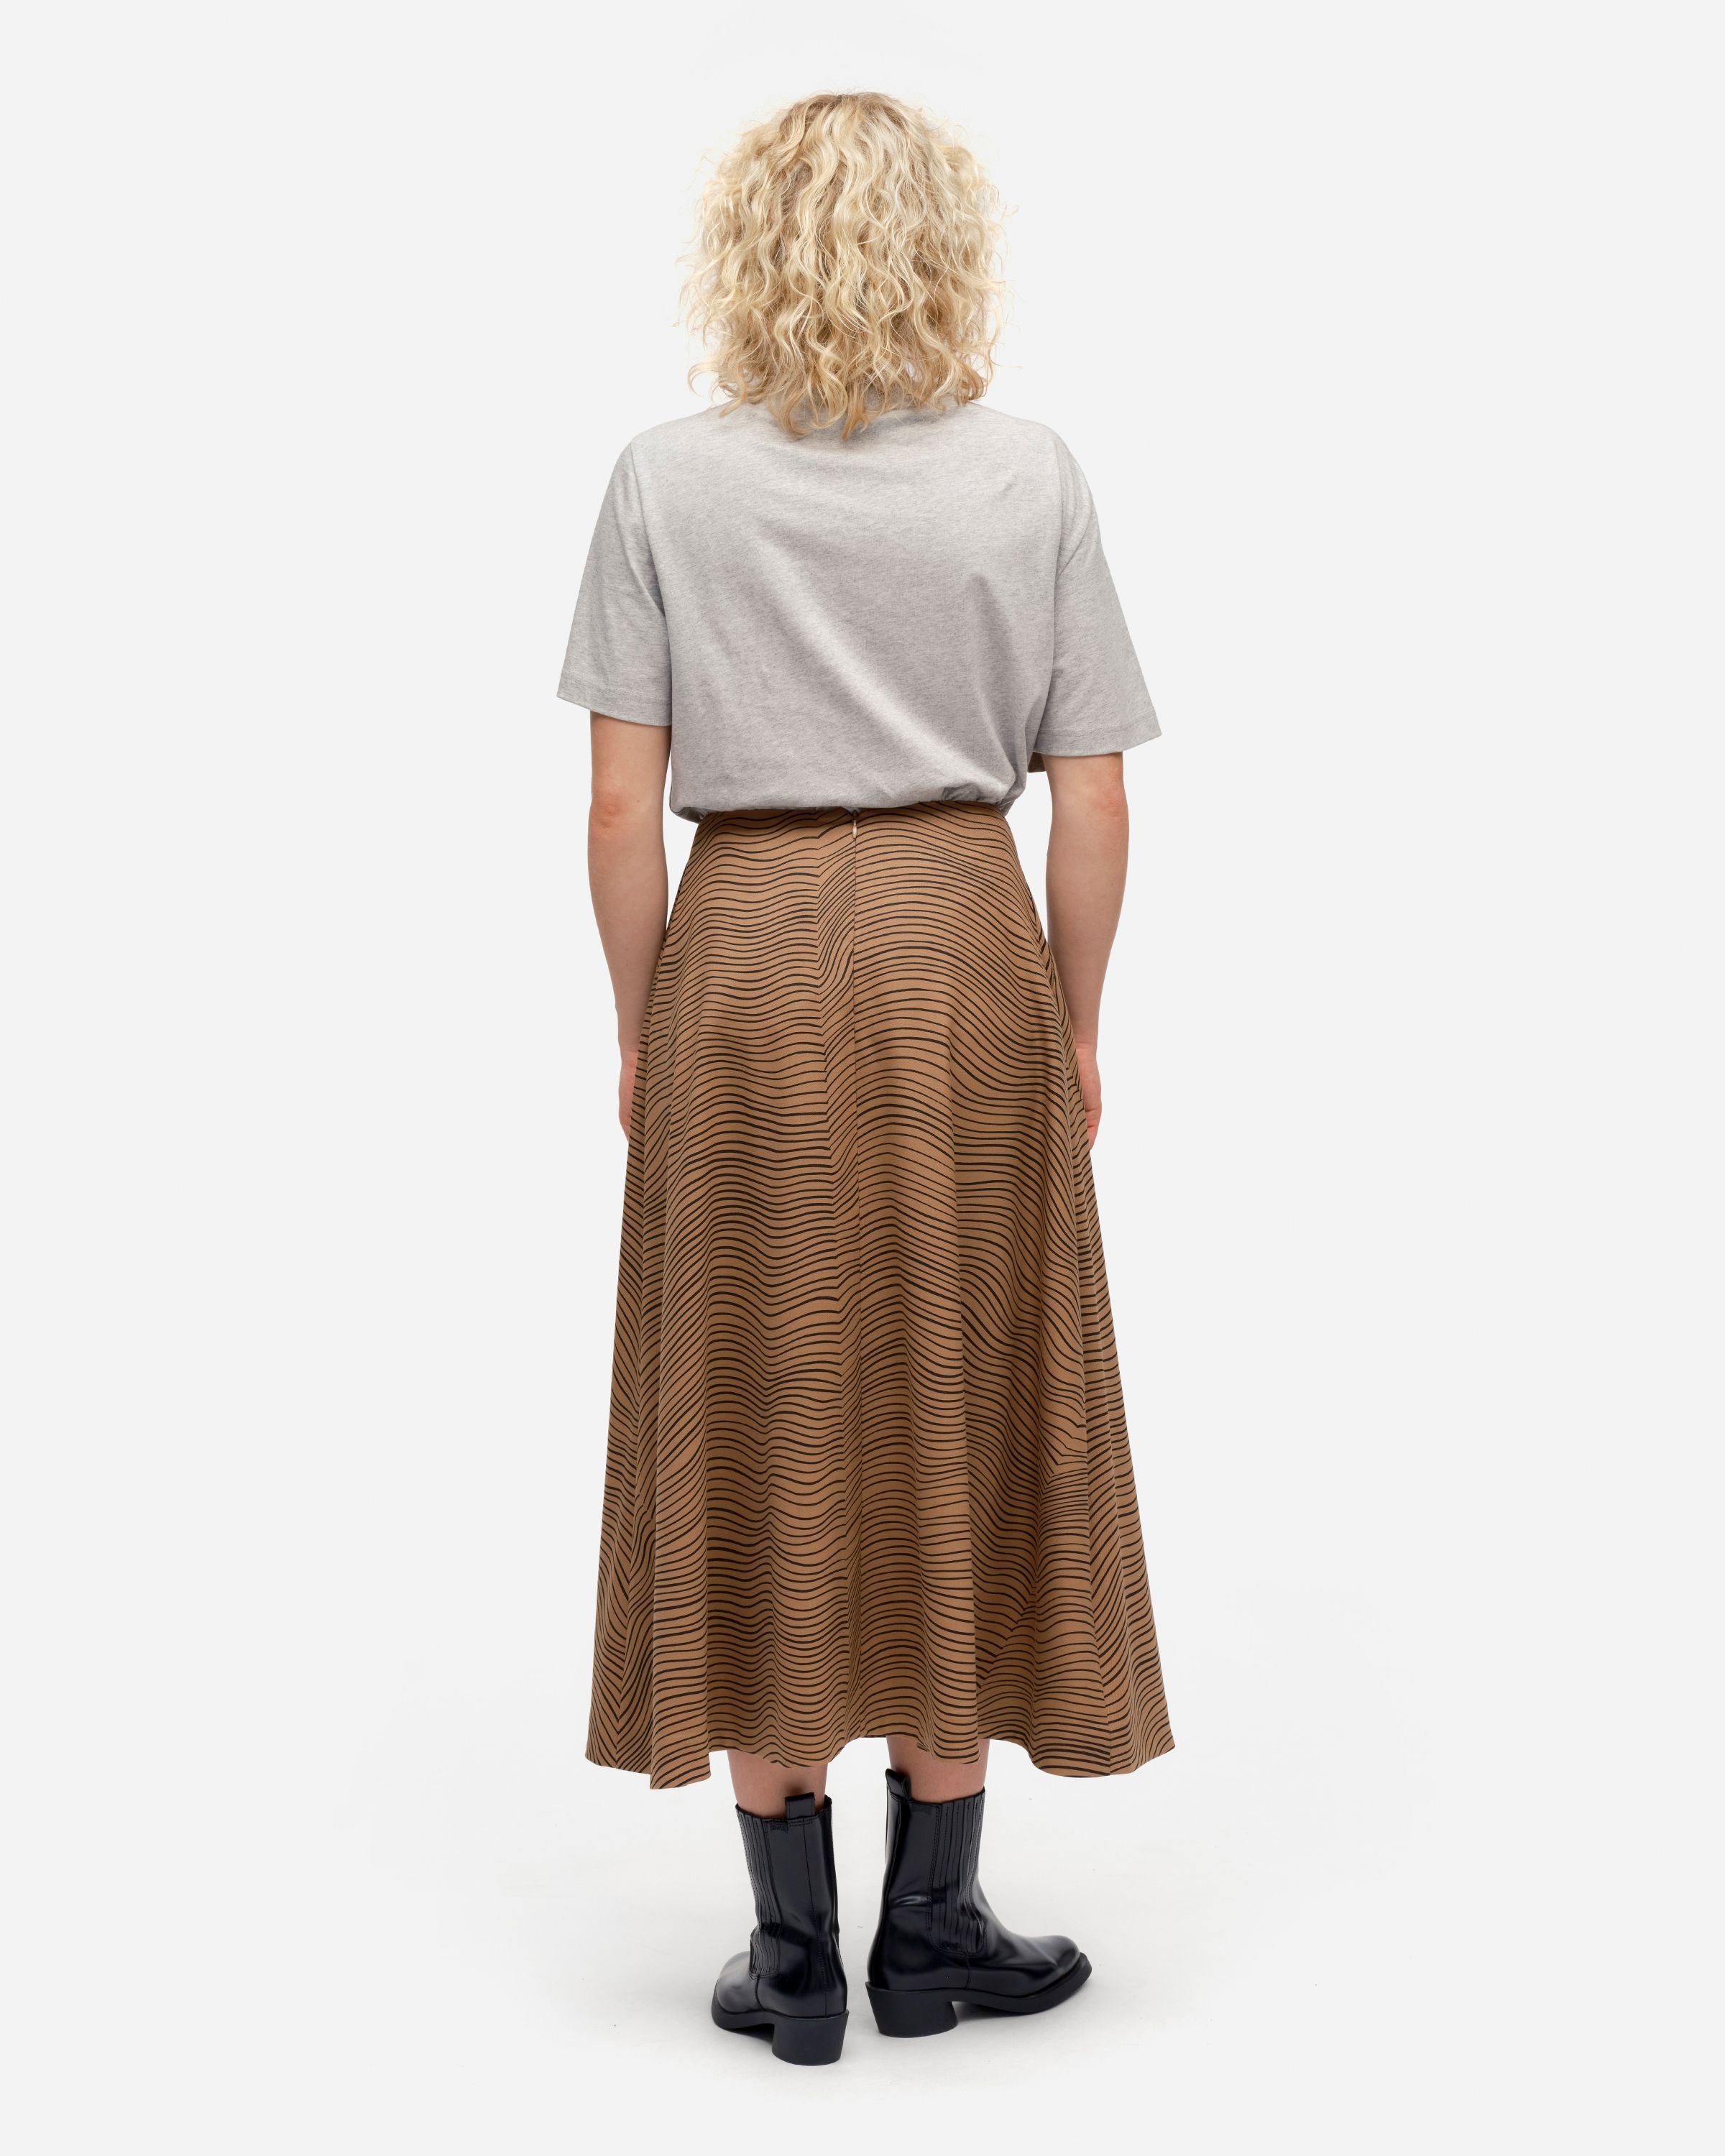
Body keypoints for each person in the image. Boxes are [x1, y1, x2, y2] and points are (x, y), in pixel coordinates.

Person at [558, 90, 1173, 2067]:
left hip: (742, 960)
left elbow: (619, 810)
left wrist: (644, 1026)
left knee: (762, 1394)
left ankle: (794, 1953)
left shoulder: (666, 481)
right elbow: (1092, 799)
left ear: (746, 249)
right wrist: (1075, 1021)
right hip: (961, 947)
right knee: (957, 1383)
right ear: (947, 248)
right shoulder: (1029, 475)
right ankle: (937, 1923)